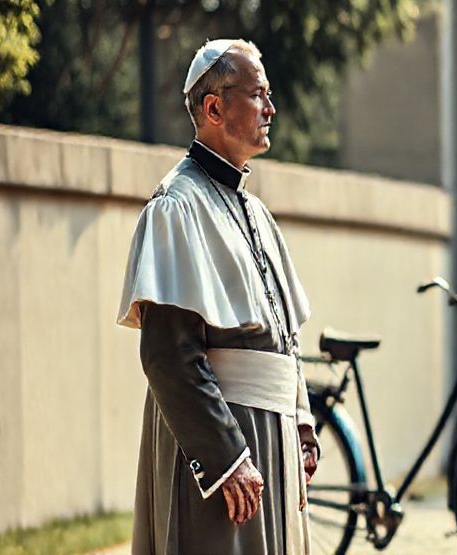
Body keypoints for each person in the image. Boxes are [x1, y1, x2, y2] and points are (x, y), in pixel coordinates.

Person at [117, 39, 319, 554]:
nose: (271, 109)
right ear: (214, 108)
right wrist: (226, 458)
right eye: (258, 96)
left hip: (269, 439)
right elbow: (168, 356)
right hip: (222, 450)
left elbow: (285, 337)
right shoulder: (176, 207)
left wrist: (300, 419)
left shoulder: (257, 214)